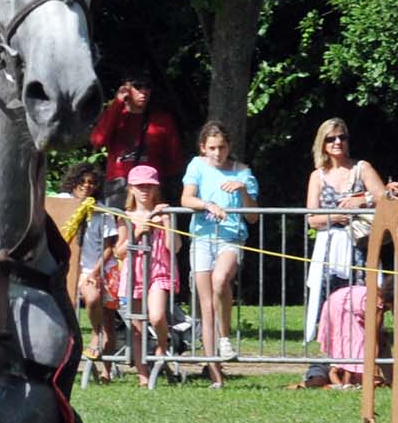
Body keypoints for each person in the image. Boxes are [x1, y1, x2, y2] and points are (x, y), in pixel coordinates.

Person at [303, 119, 384, 383]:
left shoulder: (362, 168)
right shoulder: (317, 176)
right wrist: (335, 216)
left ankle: (362, 365)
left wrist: (361, 201)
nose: (337, 142)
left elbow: (385, 197)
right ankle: (326, 365)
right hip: (329, 249)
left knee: (362, 304)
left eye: (342, 137)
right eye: (331, 138)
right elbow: (312, 218)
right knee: (328, 306)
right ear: (323, 144)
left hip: (359, 246)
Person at [181, 121, 258, 377]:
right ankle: (214, 371)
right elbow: (186, 198)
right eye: (212, 148)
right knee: (206, 306)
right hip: (202, 237)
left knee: (220, 279)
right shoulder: (197, 165)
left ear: (229, 147)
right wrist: (207, 205)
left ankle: (225, 338)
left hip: (230, 237)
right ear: (203, 147)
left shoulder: (242, 171)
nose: (217, 153)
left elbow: (253, 217)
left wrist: (243, 190)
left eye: (222, 147)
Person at [107, 165, 177, 365]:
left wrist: (167, 222)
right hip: (134, 273)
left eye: (149, 185)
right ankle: (142, 373)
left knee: (156, 316)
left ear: (156, 188)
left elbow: (175, 247)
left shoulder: (164, 213)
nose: (145, 190)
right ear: (131, 189)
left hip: (158, 271)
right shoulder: (125, 217)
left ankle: (162, 345)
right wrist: (137, 233)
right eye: (140, 186)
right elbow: (119, 252)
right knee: (136, 327)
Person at [91, 70, 185, 196]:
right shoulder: (115, 115)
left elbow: (174, 160)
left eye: (148, 86)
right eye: (138, 86)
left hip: (151, 183)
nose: (144, 91)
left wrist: (164, 182)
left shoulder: (163, 120)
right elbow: (97, 141)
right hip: (120, 183)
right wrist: (117, 103)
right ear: (126, 88)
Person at [61, 161, 120, 359]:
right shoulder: (63, 202)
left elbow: (109, 248)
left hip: (96, 267)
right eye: (82, 181)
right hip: (71, 268)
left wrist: (95, 272)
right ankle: (86, 340)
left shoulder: (102, 211)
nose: (86, 186)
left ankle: (102, 351)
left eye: (91, 182)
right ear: (74, 182)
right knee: (80, 304)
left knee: (103, 311)